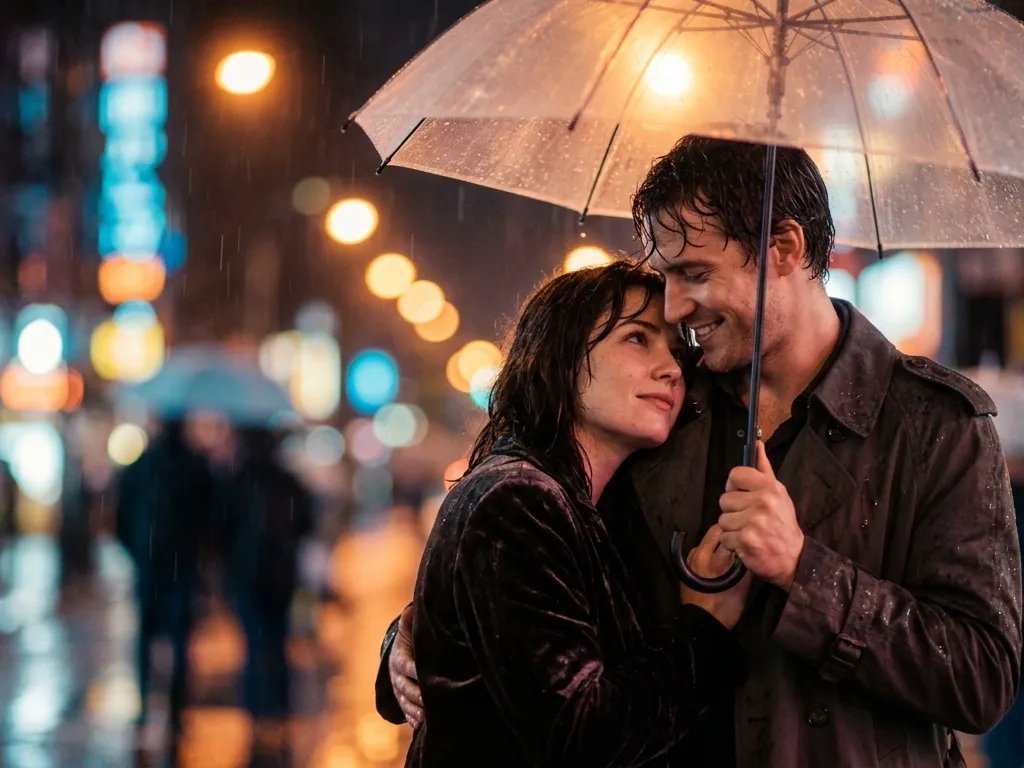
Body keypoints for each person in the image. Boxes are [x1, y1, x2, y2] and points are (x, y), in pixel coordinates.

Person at [379, 136, 1023, 768]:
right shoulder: (661, 412)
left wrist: (805, 570)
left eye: (694, 273)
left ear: (784, 247)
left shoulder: (936, 425)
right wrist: (424, 632)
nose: (676, 305)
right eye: (665, 276)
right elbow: (545, 582)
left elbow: (980, 677)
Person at [401, 260, 751, 766]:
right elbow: (578, 739)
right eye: (637, 338)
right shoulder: (518, 501)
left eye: (677, 352)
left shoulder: (588, 505)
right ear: (561, 357)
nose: (672, 369)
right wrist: (703, 625)